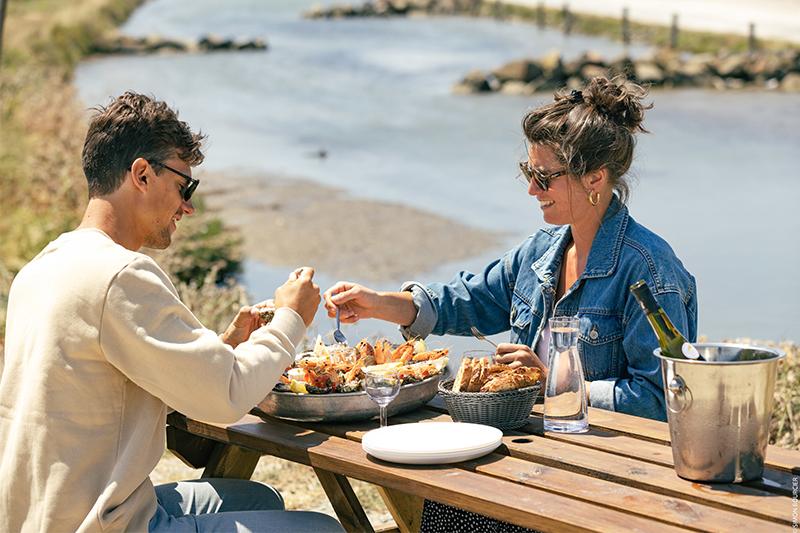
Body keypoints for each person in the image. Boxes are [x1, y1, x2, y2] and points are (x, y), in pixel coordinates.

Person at [323, 77, 697, 531]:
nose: (531, 190)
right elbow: (467, 301)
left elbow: (663, 401)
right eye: (528, 172)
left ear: (596, 177)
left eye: (543, 177)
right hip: (533, 459)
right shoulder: (541, 251)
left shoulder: (650, 272)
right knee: (442, 501)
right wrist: (379, 303)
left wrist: (553, 384)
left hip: (606, 480)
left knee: (452, 509)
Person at [0, 92, 343, 533]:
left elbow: (110, 386)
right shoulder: (120, 275)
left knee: (259, 496)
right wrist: (290, 318)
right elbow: (226, 400)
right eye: (185, 186)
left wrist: (223, 348)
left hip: (38, 514)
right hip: (97, 525)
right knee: (323, 530)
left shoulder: (42, 266)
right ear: (141, 174)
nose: (188, 206)